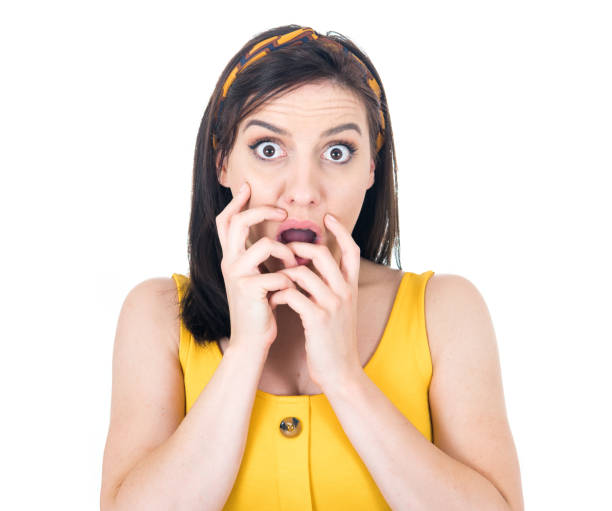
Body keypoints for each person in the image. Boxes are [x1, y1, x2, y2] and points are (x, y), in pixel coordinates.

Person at [100, 25, 524, 511]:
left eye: (337, 152)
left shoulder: (444, 311)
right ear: (221, 160)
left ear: (371, 170)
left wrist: (343, 376)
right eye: (268, 149)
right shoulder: (157, 314)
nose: (303, 190)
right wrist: (243, 354)